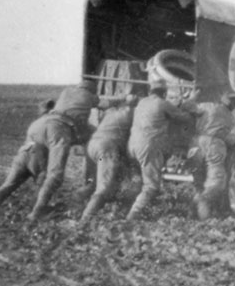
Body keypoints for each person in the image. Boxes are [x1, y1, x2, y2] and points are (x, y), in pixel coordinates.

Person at [125, 80, 195, 221]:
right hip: (148, 147)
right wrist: (189, 107)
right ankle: (133, 215)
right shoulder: (162, 103)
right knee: (151, 186)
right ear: (164, 93)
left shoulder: (142, 102)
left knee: (140, 179)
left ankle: (131, 205)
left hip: (131, 146)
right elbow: (184, 117)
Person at [0, 99, 55, 216]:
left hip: (23, 154)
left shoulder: (36, 123)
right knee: (43, 185)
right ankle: (36, 211)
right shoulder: (53, 123)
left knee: (8, 185)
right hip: (39, 156)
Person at [79, 92, 141, 223]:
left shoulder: (111, 112)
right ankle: (85, 219)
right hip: (105, 150)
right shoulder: (132, 114)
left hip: (93, 147)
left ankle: (76, 203)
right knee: (104, 186)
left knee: (95, 182)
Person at [189, 92, 235, 220]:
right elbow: (225, 135)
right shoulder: (231, 119)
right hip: (214, 145)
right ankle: (203, 204)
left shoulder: (206, 106)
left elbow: (190, 107)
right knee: (217, 181)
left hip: (196, 143)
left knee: (198, 178)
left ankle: (194, 211)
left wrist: (192, 97)